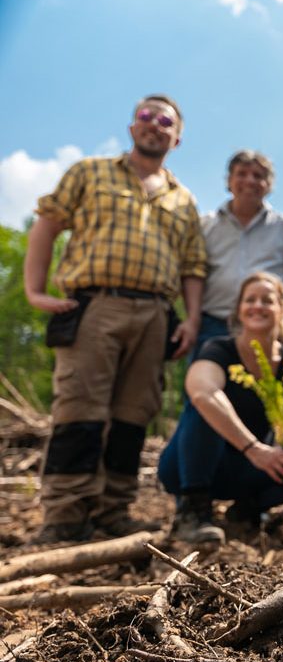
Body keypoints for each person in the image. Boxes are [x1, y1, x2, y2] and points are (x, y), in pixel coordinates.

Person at [24, 94, 207, 543]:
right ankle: (65, 515)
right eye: (146, 116)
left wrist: (191, 319)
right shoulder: (90, 173)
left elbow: (193, 266)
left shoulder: (183, 199)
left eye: (165, 120)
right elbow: (47, 224)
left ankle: (112, 512)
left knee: (132, 415)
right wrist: (35, 290)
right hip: (94, 305)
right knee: (79, 408)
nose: (154, 125)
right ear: (132, 127)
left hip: (155, 315)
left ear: (176, 137)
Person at [159, 273, 283, 543]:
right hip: (190, 466)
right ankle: (193, 511)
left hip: (248, 470)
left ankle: (248, 510)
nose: (258, 306)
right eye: (250, 299)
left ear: (282, 309)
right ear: (239, 310)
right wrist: (253, 448)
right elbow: (202, 390)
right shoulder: (218, 349)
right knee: (205, 406)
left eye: (267, 300)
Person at [193, 150, 283, 356]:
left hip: (266, 327)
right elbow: (193, 275)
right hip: (213, 325)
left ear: (268, 185)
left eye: (258, 176)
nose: (250, 181)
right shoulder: (206, 226)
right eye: (242, 174)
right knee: (204, 383)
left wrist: (277, 312)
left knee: (265, 385)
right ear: (229, 180)